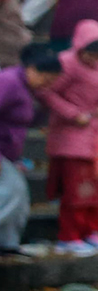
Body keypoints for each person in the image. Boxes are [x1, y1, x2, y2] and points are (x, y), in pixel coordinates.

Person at [41, 22, 98, 256]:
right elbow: (47, 92)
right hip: (71, 136)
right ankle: (69, 236)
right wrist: (73, 114)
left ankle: (91, 231)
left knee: (97, 191)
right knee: (76, 191)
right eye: (90, 54)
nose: (95, 60)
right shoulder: (66, 63)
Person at [0, 45, 59, 255]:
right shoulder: (8, 81)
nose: (47, 83)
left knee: (18, 197)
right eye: (45, 77)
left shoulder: (27, 88)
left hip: (10, 152)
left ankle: (7, 244)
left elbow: (25, 119)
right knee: (11, 193)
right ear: (32, 69)